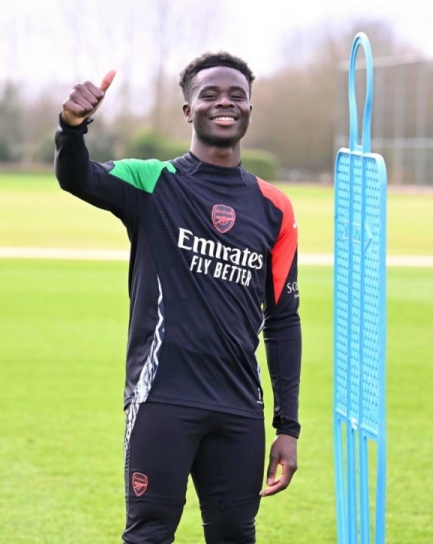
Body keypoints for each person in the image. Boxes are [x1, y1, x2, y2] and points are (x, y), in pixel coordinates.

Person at [54, 51, 301, 543]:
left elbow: (283, 320)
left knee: (235, 536)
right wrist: (72, 128)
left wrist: (287, 427)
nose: (224, 103)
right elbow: (76, 177)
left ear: (249, 109)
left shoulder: (274, 207)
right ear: (188, 110)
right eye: (209, 94)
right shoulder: (152, 182)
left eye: (236, 95)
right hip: (161, 400)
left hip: (239, 407)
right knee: (149, 535)